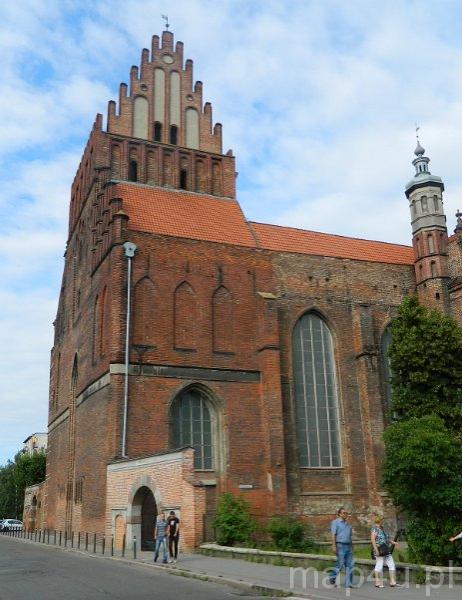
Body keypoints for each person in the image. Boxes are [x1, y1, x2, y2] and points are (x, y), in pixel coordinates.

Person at [370, 515, 399, 588]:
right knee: (379, 565)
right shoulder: (375, 529)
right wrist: (376, 549)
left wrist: (393, 542)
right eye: (382, 520)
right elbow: (373, 539)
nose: (383, 521)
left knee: (391, 564)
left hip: (385, 549)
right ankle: (377, 582)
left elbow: (386, 538)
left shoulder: (382, 528)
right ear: (379, 520)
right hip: (379, 549)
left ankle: (392, 581)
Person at [329, 507, 354, 588]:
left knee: (350, 565)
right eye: (344, 513)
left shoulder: (348, 524)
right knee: (340, 564)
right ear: (339, 514)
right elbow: (333, 534)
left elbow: (350, 536)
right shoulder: (335, 522)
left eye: (346, 513)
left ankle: (348, 583)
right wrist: (333, 546)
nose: (345, 514)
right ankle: (332, 576)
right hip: (340, 545)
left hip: (348, 546)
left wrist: (352, 546)